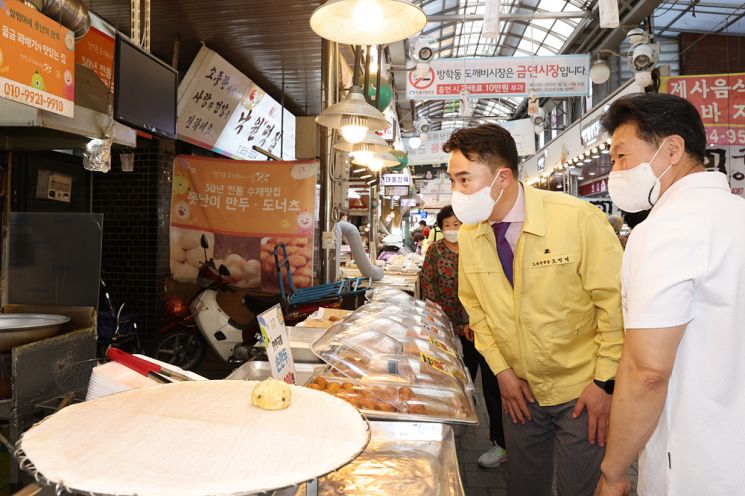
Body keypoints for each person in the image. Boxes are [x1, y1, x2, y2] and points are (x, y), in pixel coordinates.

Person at [445, 123, 624, 496]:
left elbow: (614, 306)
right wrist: (502, 373)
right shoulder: (470, 234)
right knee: (524, 485)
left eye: (464, 180)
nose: (456, 192)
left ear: (503, 177)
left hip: (582, 390)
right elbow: (475, 309)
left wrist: (604, 382)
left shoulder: (577, 219)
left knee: (579, 487)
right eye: (452, 180)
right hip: (520, 390)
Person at [595, 94, 745, 496]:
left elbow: (647, 372)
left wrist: (613, 472)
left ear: (672, 149)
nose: (616, 170)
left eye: (622, 156)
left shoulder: (665, 230)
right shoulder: (737, 215)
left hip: (695, 464)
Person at [421, 205, 506, 468]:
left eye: (458, 224)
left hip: (482, 326)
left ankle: (500, 443)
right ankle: (456, 420)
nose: (453, 229)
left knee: (492, 386)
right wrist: (437, 323)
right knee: (456, 380)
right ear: (441, 227)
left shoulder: (481, 249)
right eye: (448, 225)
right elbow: (429, 286)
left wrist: (475, 321)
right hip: (447, 327)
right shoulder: (435, 251)